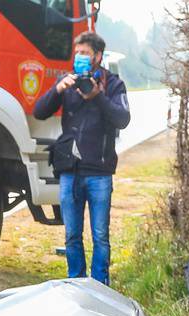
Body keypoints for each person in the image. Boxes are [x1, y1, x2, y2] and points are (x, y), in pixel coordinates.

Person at [33, 31, 129, 285]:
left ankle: (99, 287)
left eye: (85, 54)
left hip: (99, 172)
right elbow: (40, 111)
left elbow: (123, 119)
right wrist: (57, 89)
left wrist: (97, 96)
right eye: (77, 54)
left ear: (98, 56)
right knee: (72, 235)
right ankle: (75, 283)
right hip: (70, 171)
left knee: (100, 235)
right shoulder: (69, 84)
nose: (80, 59)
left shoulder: (113, 84)